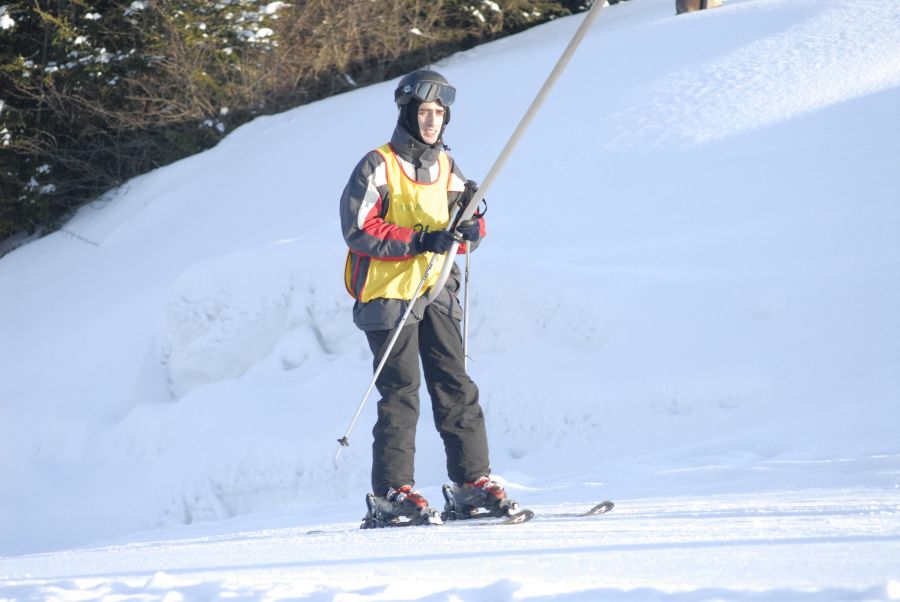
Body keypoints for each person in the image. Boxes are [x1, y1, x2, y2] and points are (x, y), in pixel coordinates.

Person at [339, 69, 508, 524]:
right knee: (401, 391)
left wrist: (472, 231)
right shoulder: (378, 165)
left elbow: (464, 222)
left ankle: (472, 483)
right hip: (388, 295)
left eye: (439, 113)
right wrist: (418, 240)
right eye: (425, 112)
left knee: (455, 383)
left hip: (435, 289)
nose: (432, 120)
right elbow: (358, 228)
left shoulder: (446, 168)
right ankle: (393, 492)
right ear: (408, 113)